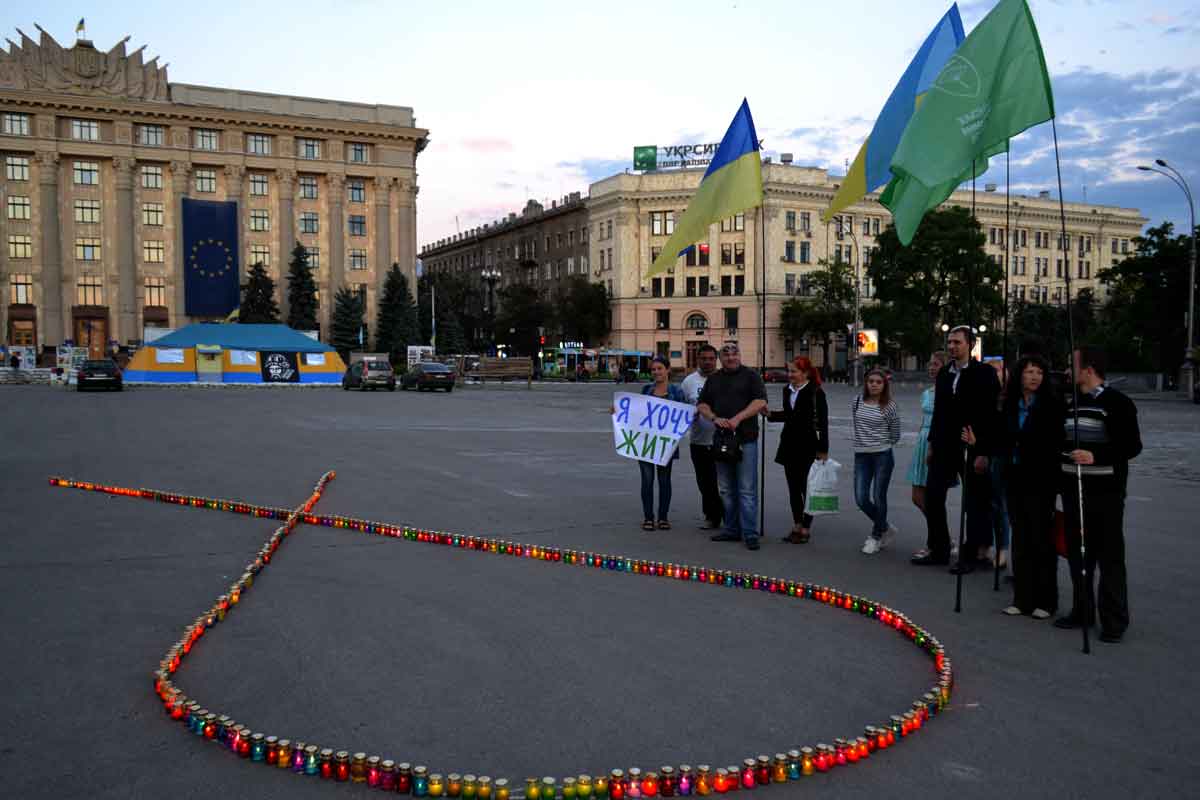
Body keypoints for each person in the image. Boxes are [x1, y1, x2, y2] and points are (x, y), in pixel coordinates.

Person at [1055, 346, 1142, 643]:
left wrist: (1095, 455)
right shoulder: (1071, 404)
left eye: (1072, 365)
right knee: (1079, 556)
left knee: (1109, 557)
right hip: (1073, 489)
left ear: (1089, 369)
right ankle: (1082, 610)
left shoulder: (1117, 403)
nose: (1068, 370)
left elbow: (1131, 446)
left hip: (1105, 492)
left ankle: (1114, 620)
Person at [972, 355, 1063, 618]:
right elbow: (997, 436)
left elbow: (1056, 441)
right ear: (1019, 375)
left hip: (1040, 478)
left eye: (1039, 372)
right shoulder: (1008, 404)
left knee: (1041, 539)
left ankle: (1046, 600)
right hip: (1014, 476)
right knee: (1021, 537)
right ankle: (1022, 598)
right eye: (1029, 372)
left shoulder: (1051, 405)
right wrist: (983, 448)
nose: (1034, 377)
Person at [911, 325, 1000, 572]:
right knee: (934, 495)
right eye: (949, 342)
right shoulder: (944, 374)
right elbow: (940, 412)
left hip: (971, 443)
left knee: (974, 502)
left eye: (957, 342)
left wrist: (983, 448)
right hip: (943, 444)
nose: (952, 347)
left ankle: (972, 553)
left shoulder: (983, 373)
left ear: (970, 344)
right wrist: (931, 444)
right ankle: (939, 548)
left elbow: (991, 414)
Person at [696, 343, 768, 550]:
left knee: (746, 489)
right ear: (721, 358)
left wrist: (738, 418)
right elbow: (702, 404)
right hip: (721, 439)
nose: (730, 357)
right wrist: (714, 417)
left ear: (740, 356)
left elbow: (760, 402)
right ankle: (731, 529)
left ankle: (750, 532)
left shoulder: (751, 376)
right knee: (726, 488)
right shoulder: (714, 379)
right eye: (725, 355)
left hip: (746, 439)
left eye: (734, 353)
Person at [765, 356, 829, 544]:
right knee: (793, 488)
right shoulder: (788, 390)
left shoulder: (816, 392)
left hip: (809, 446)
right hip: (789, 445)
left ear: (806, 373)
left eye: (794, 371)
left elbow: (822, 423)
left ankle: (806, 527)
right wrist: (770, 414)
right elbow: (789, 415)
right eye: (789, 371)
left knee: (806, 488)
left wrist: (823, 449)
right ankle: (797, 524)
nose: (790, 375)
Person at [851, 368, 901, 554]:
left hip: (882, 455)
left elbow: (895, 433)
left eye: (878, 382)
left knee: (879, 497)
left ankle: (876, 536)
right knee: (861, 498)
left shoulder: (889, 406)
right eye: (870, 381)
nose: (873, 384)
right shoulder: (856, 401)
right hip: (861, 455)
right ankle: (885, 526)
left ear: (884, 385)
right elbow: (857, 425)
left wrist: (881, 443)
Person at [636, 356, 685, 531]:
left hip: (665, 444)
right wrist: (618, 410)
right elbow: (636, 412)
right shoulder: (646, 390)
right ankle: (648, 517)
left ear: (668, 370)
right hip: (645, 443)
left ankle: (663, 517)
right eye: (653, 369)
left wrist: (691, 415)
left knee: (664, 481)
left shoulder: (676, 392)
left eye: (659, 368)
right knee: (647, 481)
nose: (656, 372)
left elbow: (683, 413)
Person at [680, 344, 724, 530]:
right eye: (703, 358)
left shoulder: (725, 379)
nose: (707, 362)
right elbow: (680, 408)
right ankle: (711, 516)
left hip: (722, 440)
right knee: (704, 482)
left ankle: (727, 515)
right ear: (698, 359)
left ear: (716, 360)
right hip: (698, 441)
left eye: (711, 358)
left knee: (725, 482)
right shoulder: (689, 382)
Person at [907, 352, 949, 515]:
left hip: (937, 442)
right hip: (923, 442)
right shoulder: (927, 393)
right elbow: (924, 420)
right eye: (930, 364)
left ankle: (940, 536)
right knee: (917, 497)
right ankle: (939, 533)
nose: (931, 368)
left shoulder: (949, 391)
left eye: (936, 364)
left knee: (935, 497)